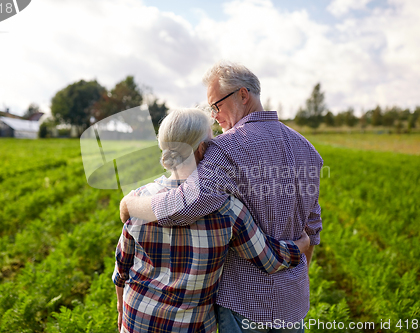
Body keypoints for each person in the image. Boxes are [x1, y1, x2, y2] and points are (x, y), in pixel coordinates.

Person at [120, 61, 324, 332]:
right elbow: (312, 228)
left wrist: (130, 204)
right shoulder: (308, 150)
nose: (215, 116)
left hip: (243, 303)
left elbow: (186, 204)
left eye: (216, 105)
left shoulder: (224, 148)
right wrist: (300, 266)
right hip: (294, 301)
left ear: (243, 95)